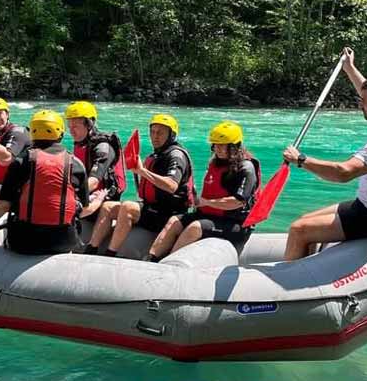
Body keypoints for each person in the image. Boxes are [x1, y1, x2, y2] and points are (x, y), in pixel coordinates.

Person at [280, 47, 367, 261]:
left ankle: (287, 287)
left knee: (299, 229)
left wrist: (300, 159)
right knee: (304, 220)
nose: (360, 106)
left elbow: (343, 173)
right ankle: (308, 268)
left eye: (363, 102)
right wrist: (349, 68)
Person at [0, 110, 101, 255]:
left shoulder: (21, 161)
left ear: (32, 133)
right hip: (64, 243)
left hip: (24, 243)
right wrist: (99, 200)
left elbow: (1, 205)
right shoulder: (76, 164)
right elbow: (83, 209)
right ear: (61, 134)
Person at [145, 121, 260, 261]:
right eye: (215, 145)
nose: (217, 149)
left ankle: (167, 263)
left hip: (234, 224)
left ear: (234, 146)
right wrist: (197, 200)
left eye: (222, 145)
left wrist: (207, 202)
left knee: (195, 227)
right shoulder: (215, 163)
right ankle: (151, 259)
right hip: (209, 216)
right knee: (174, 221)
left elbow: (237, 202)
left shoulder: (246, 168)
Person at [83, 113, 194, 257]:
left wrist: (142, 171)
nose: (155, 136)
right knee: (107, 206)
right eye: (153, 132)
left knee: (128, 207)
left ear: (171, 135)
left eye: (160, 132)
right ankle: (92, 248)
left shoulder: (176, 156)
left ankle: (111, 253)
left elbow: (171, 185)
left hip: (168, 212)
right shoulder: (157, 154)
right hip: (152, 207)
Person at [65, 101, 126, 217]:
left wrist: (68, 195)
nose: (71, 131)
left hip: (103, 198)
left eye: (75, 127)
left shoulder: (103, 147)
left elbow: (94, 182)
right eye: (70, 127)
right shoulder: (81, 144)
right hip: (86, 195)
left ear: (89, 124)